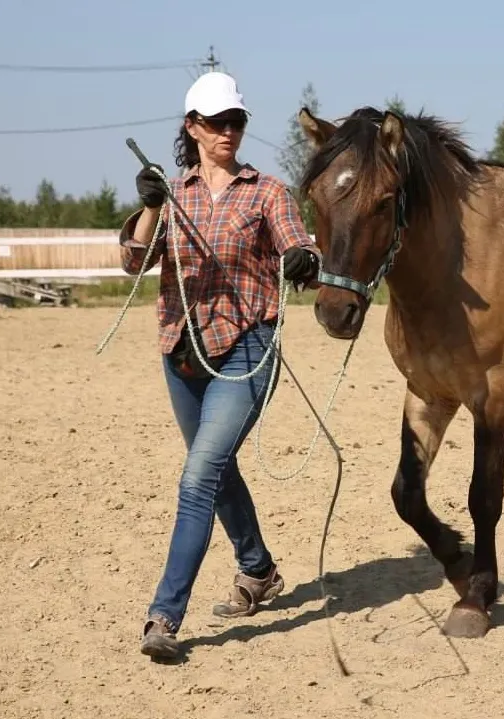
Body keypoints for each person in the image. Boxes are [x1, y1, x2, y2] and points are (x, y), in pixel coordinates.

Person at [116, 71, 321, 659]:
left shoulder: (268, 192)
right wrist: (151, 208)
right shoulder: (171, 193)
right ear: (193, 128)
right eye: (217, 122)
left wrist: (304, 260)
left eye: (237, 121)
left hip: (248, 349)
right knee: (216, 467)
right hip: (181, 351)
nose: (229, 131)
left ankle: (163, 616)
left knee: (199, 474)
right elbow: (134, 262)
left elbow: (295, 243)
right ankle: (257, 569)